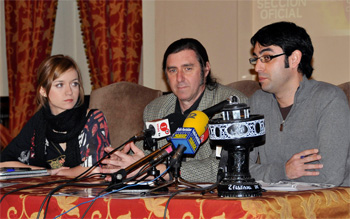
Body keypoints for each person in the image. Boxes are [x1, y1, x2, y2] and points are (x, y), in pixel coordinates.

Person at [101, 38, 248, 182]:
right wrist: (124, 163)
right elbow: (143, 157)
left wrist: (161, 170)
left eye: (188, 68)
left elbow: (227, 166)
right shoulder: (155, 109)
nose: (179, 78)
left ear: (206, 69)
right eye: (172, 70)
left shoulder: (230, 105)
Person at [248, 21, 350, 186]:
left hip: (328, 205)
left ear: (294, 59)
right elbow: (233, 171)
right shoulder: (257, 102)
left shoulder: (329, 99)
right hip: (275, 205)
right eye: (256, 59)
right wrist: (284, 171)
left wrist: (268, 174)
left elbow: (329, 176)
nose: (258, 67)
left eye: (267, 57)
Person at [0, 55, 111, 177]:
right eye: (60, 85)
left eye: (74, 84)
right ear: (43, 91)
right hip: (47, 193)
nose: (69, 91)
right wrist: (47, 172)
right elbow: (4, 163)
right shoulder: (38, 121)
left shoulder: (93, 118)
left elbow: (95, 170)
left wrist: (63, 173)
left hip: (87, 194)